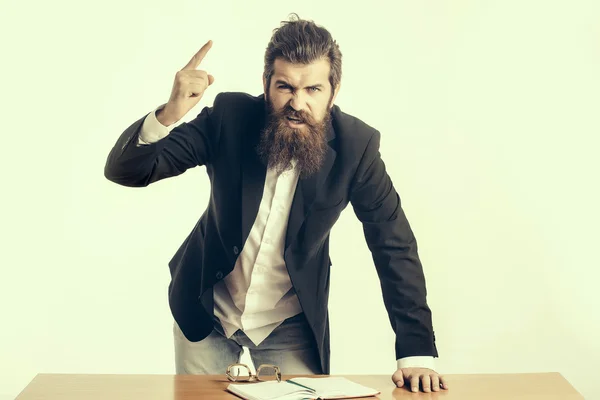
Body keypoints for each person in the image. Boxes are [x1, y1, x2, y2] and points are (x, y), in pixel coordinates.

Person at [104, 14, 448, 393]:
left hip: (292, 327)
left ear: (334, 90)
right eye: (285, 86)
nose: (297, 103)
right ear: (266, 83)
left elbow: (393, 244)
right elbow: (128, 171)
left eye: (313, 90)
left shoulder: (357, 147)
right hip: (207, 318)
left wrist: (416, 353)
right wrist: (169, 113)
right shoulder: (229, 118)